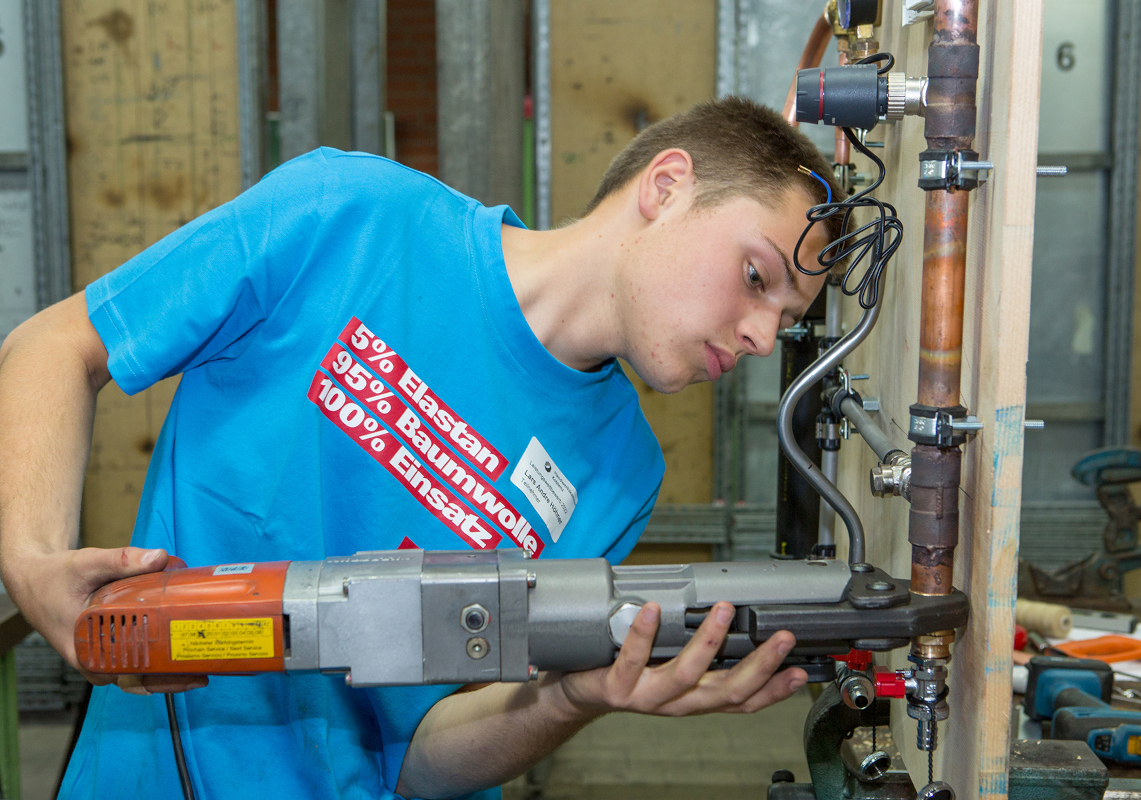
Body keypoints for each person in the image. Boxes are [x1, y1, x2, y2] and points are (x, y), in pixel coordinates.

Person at [0, 97, 845, 799]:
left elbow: (418, 758)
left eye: (787, 319)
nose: (764, 337)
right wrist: (32, 563)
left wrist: (572, 699)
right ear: (666, 187)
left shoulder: (621, 472)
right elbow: (54, 345)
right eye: (758, 276)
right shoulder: (347, 215)